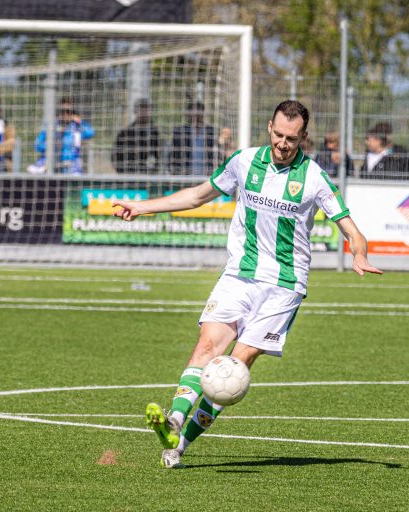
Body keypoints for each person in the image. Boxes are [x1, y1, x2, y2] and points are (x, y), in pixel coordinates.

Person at [112, 99, 383, 469]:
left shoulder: (315, 177)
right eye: (278, 134)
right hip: (239, 274)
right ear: (269, 127)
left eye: (292, 138)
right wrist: (143, 207)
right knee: (207, 345)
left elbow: (350, 227)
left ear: (304, 137)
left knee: (236, 368)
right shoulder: (244, 161)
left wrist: (359, 253)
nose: (283, 143)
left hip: (284, 286)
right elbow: (197, 195)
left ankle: (181, 445)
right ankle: (174, 421)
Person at [32, 97, 94, 174]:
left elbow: (90, 132)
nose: (65, 114)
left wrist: (80, 122)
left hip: (72, 165)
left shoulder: (77, 127)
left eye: (68, 111)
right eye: (62, 111)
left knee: (76, 176)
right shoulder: (51, 126)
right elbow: (37, 145)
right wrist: (51, 145)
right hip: (53, 163)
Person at [111, 98, 162, 174]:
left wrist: (153, 172)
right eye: (141, 109)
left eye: (146, 109)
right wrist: (122, 173)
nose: (144, 112)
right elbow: (115, 156)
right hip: (128, 176)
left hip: (149, 178)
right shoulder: (125, 133)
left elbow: (159, 156)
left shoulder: (155, 133)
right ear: (135, 111)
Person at [169, 101, 218, 175]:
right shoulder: (180, 132)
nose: (196, 116)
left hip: (207, 176)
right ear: (188, 114)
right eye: (193, 114)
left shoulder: (211, 131)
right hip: (185, 176)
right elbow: (173, 155)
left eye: (199, 113)